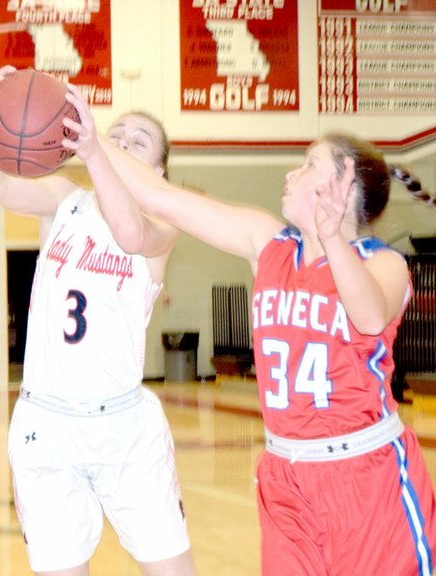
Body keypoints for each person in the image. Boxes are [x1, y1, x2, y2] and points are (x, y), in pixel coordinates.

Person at [64, 93, 436, 575]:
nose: (290, 174)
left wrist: (332, 241)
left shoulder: (384, 263)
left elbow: (367, 316)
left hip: (367, 477)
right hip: (285, 478)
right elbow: (161, 199)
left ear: (344, 184)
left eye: (307, 165)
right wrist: (92, 145)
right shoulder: (267, 242)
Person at [0, 77, 196, 576]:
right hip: (46, 425)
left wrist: (97, 152)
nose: (121, 142)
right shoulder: (64, 197)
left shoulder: (167, 218)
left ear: (158, 169)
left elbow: (131, 234)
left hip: (124, 426)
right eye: (115, 133)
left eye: (138, 140)